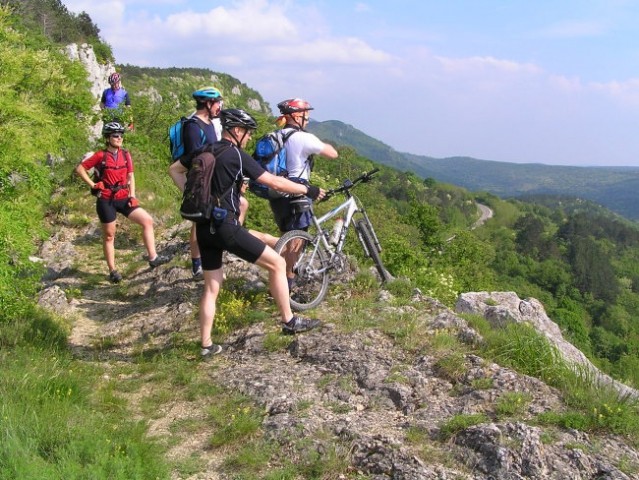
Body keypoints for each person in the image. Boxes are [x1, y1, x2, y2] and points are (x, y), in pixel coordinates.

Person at [192, 108, 325, 359]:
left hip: (203, 226)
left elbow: (176, 170)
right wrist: (306, 189)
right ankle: (289, 322)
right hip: (225, 226)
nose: (250, 138)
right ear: (237, 131)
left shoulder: (205, 150)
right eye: (248, 132)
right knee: (276, 263)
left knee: (211, 286)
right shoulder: (236, 155)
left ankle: (206, 344)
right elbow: (274, 182)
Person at [75, 122, 169, 283]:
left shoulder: (126, 155)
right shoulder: (100, 155)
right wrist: (93, 185)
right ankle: (113, 271)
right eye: (115, 135)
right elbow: (80, 169)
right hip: (106, 199)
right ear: (108, 138)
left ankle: (153, 258)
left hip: (124, 197)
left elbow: (131, 176)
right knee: (110, 235)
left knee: (147, 220)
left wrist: (132, 195)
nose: (119, 138)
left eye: (120, 135)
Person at [268, 98, 338, 285]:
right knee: (296, 243)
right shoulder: (302, 137)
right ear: (297, 115)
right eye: (306, 115)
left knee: (286, 237)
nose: (307, 118)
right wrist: (325, 144)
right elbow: (332, 154)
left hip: (277, 193)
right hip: (297, 193)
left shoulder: (277, 135)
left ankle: (277, 282)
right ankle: (288, 287)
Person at [169, 87, 224, 279]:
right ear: (208, 104)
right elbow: (195, 157)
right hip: (199, 179)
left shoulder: (209, 123)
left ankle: (210, 258)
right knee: (197, 221)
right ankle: (197, 265)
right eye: (217, 102)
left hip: (210, 177)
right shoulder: (193, 125)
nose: (220, 106)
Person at [239, 176, 278, 248]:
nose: (246, 186)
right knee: (266, 239)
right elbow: (236, 232)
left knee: (266, 238)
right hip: (231, 234)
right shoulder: (242, 203)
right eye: (244, 182)